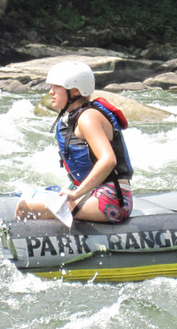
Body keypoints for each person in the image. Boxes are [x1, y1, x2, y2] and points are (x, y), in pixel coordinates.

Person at [15, 61, 135, 223]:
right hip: (94, 192)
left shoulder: (88, 118)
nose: (51, 92)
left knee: (24, 208)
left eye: (57, 87)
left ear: (76, 90)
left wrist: (76, 194)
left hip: (113, 200)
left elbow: (108, 160)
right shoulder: (75, 117)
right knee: (30, 197)